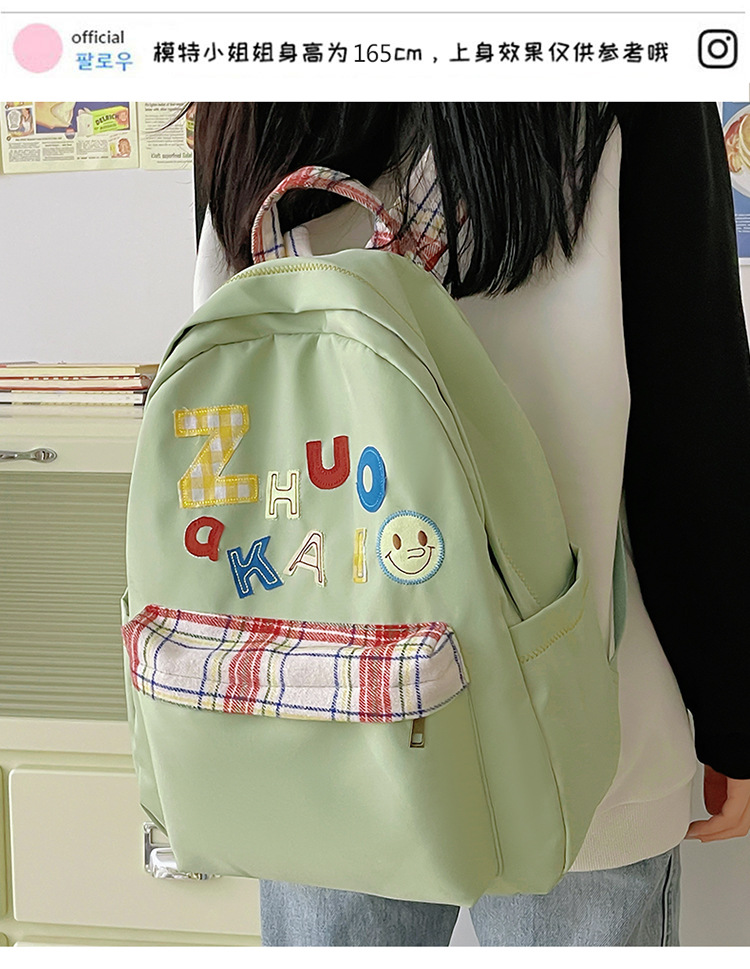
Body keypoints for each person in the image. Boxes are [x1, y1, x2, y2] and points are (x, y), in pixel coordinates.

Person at [189, 103, 750, 947]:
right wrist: (733, 713)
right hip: (575, 709)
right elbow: (692, 427)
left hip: (320, 689)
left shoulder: (250, 84)